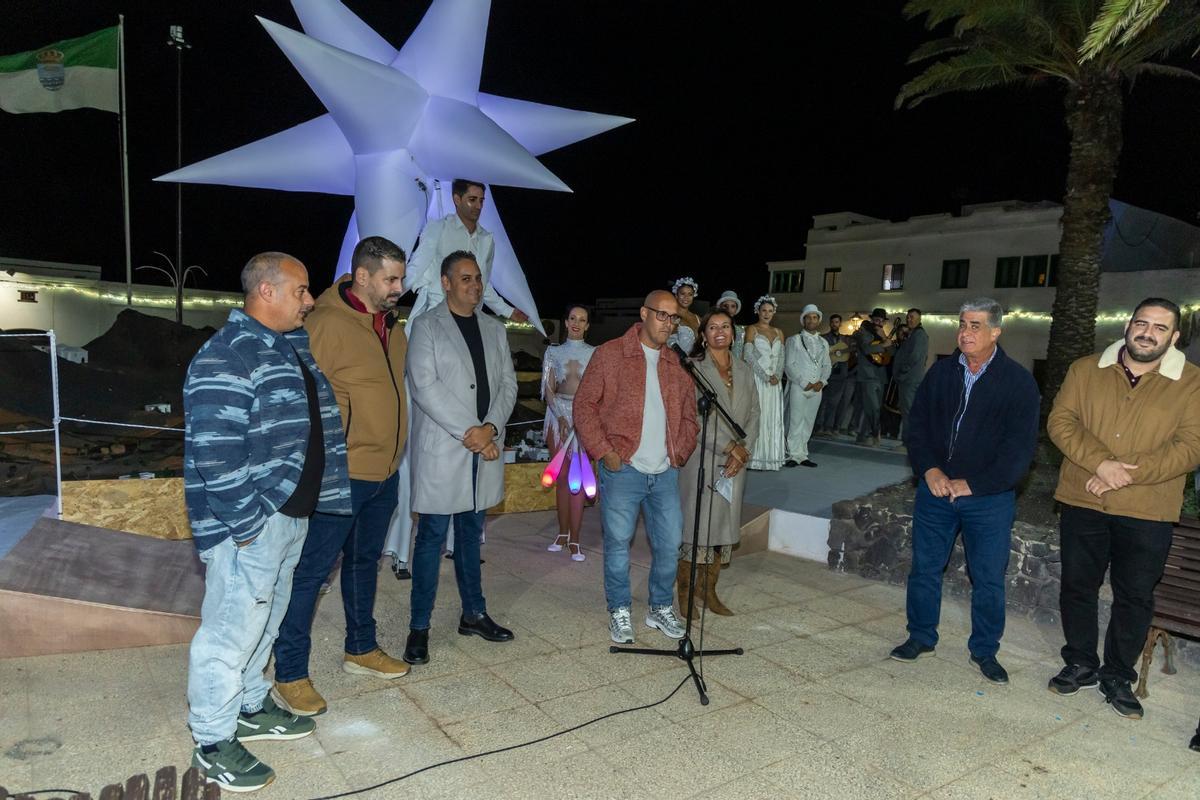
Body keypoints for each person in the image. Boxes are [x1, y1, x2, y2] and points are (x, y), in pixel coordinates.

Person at [183, 253, 351, 793]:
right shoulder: (228, 353)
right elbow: (214, 451)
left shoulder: (286, 346)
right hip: (252, 524)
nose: (310, 300)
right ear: (267, 292)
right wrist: (247, 524)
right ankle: (212, 739)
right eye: (301, 291)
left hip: (288, 517)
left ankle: (251, 704)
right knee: (230, 630)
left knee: (265, 621)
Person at [271, 237, 410, 719]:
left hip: (385, 471)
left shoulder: (393, 328)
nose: (399, 287)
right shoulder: (325, 324)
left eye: (402, 277)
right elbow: (299, 400)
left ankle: (361, 648)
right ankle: (288, 673)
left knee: (363, 563)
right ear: (363, 276)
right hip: (341, 474)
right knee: (310, 573)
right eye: (391, 278)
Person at [1046, 298, 1200, 719]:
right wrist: (1100, 464)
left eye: (1160, 327)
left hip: (1148, 508)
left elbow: (1190, 447)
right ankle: (1080, 661)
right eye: (1142, 323)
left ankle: (1117, 674)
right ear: (1129, 324)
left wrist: (1124, 473)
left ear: (1174, 337)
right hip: (1085, 497)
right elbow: (1061, 422)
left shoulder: (1192, 383)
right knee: (1077, 585)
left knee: (1134, 596)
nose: (1148, 332)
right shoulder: (1085, 369)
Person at [891, 298, 1039, 685]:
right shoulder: (941, 373)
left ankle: (985, 650)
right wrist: (930, 470)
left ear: (995, 332)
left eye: (976, 326)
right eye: (962, 324)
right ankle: (920, 637)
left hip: (988, 500)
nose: (965, 332)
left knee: (988, 578)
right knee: (924, 569)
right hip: (936, 494)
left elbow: (1019, 451)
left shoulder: (1018, 383)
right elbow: (917, 428)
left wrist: (974, 484)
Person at [383, 178, 526, 577]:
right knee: (423, 443)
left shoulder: (487, 240)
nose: (478, 206)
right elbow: (415, 270)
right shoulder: (438, 229)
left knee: (467, 440)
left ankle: (456, 544)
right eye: (472, 199)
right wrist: (391, 297)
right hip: (433, 326)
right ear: (457, 199)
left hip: (472, 327)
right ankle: (400, 548)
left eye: (482, 200)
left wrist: (510, 310)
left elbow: (486, 288)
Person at [402, 251, 518, 665]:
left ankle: (474, 614)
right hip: (446, 449)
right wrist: (472, 432)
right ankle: (419, 627)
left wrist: (490, 430)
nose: (475, 286)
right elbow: (424, 386)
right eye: (465, 279)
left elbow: (507, 385)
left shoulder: (494, 329)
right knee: (431, 539)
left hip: (483, 447)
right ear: (446, 282)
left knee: (471, 536)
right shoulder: (426, 326)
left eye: (478, 279)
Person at [574, 289, 699, 645]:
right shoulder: (611, 354)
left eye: (674, 317)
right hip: (623, 469)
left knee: (670, 543)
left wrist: (682, 450)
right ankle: (619, 609)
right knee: (617, 543)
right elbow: (584, 406)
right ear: (644, 313)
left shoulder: (677, 363)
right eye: (662, 315)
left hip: (665, 472)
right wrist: (605, 452)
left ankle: (660, 607)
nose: (668, 323)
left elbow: (690, 416)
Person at [677, 310, 759, 617]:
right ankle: (685, 593)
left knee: (722, 526)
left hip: (735, 463)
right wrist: (728, 447)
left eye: (725, 326)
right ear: (703, 335)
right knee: (695, 524)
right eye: (712, 327)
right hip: (703, 457)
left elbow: (755, 414)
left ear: (734, 334)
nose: (719, 331)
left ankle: (708, 592)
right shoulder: (693, 369)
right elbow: (692, 417)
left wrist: (743, 450)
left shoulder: (745, 370)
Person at [542, 304, 595, 561]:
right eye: (572, 318)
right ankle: (562, 533)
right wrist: (561, 416)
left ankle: (575, 539)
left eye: (582, 319)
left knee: (579, 480)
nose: (576, 322)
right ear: (565, 322)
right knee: (562, 477)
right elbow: (548, 389)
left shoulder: (595, 353)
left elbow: (597, 392)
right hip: (556, 416)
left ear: (587, 325)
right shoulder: (552, 352)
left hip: (583, 418)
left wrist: (580, 418)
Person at [784, 304, 831, 468]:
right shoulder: (794, 340)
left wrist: (822, 382)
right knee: (795, 421)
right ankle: (792, 454)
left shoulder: (824, 343)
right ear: (803, 320)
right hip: (800, 387)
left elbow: (827, 365)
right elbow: (789, 365)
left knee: (809, 421)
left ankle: (803, 454)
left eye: (814, 317)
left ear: (818, 320)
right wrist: (804, 382)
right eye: (808, 317)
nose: (811, 320)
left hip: (816, 389)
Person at [743, 295, 786, 470]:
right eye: (764, 311)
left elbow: (781, 356)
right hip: (758, 380)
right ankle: (755, 457)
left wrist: (777, 374)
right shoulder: (752, 329)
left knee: (772, 417)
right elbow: (748, 355)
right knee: (757, 416)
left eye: (770, 311)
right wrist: (765, 376)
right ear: (757, 311)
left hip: (775, 382)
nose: (767, 314)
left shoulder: (779, 332)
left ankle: (771, 458)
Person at [854, 308, 893, 446]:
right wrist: (884, 344)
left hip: (880, 376)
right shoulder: (863, 332)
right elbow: (866, 349)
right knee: (873, 407)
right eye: (877, 320)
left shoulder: (883, 334)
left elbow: (891, 352)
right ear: (872, 319)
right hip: (867, 375)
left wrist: (884, 338)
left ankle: (862, 436)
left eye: (882, 321)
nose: (879, 323)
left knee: (870, 408)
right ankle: (875, 433)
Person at [892, 308, 928, 439]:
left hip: (909, 379)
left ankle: (908, 442)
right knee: (907, 410)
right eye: (908, 317)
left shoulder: (919, 335)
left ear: (919, 319)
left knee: (908, 411)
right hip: (909, 378)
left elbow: (915, 356)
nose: (909, 319)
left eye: (912, 317)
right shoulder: (913, 334)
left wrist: (902, 371)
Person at [814, 313, 850, 436]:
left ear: (840, 324)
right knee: (821, 402)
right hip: (825, 375)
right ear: (830, 324)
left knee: (834, 403)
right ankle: (818, 427)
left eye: (837, 322)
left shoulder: (845, 340)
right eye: (833, 322)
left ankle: (828, 427)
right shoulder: (823, 338)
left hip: (840, 375)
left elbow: (851, 351)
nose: (835, 324)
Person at [668, 276, 701, 353]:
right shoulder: (672, 317)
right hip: (678, 362)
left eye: (690, 294)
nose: (686, 297)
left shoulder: (698, 318)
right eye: (682, 293)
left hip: (698, 362)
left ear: (693, 296)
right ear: (676, 295)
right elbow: (669, 343)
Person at [716, 290, 745, 359]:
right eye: (725, 306)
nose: (729, 309)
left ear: (736, 309)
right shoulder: (714, 328)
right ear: (720, 308)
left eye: (733, 306)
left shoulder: (740, 330)